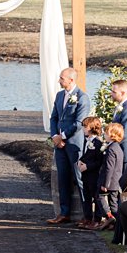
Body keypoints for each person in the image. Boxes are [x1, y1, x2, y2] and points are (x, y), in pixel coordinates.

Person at [46, 67, 89, 225]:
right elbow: (54, 117)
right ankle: (64, 213)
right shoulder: (59, 96)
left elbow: (79, 123)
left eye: (62, 78)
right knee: (62, 178)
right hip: (60, 145)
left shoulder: (82, 98)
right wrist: (55, 136)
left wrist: (62, 136)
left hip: (74, 144)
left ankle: (87, 215)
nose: (59, 81)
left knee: (79, 178)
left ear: (71, 80)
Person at [106, 78, 127, 167]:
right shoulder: (120, 106)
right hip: (120, 150)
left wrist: (109, 142)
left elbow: (124, 133)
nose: (111, 93)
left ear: (122, 93)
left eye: (114, 92)